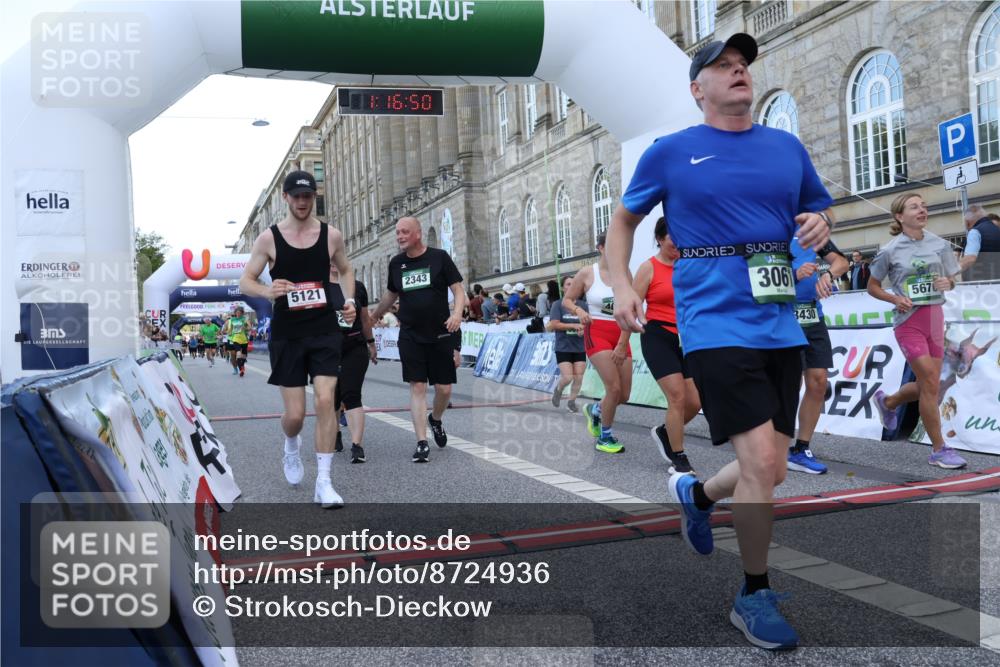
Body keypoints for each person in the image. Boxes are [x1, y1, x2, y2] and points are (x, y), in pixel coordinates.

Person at [605, 33, 834, 650]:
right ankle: (753, 594)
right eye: (723, 67)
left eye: (742, 65)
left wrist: (820, 222)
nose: (738, 73)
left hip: (780, 319)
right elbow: (622, 221)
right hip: (713, 321)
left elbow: (815, 212)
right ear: (697, 88)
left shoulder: (786, 148)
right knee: (761, 463)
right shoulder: (672, 151)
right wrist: (622, 284)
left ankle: (697, 494)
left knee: (774, 468)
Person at [239, 169, 356, 508]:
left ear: (313, 197)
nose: (302, 202)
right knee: (294, 416)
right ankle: (291, 447)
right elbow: (245, 281)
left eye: (308, 196)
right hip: (288, 333)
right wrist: (266, 289)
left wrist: (349, 301)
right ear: (286, 198)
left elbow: (346, 270)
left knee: (324, 400)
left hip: (323, 329)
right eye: (296, 196)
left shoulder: (331, 235)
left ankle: (324, 482)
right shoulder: (269, 239)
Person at [868, 193, 966, 470]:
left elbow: (952, 281)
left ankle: (888, 402)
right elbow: (872, 286)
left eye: (924, 205)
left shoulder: (940, 244)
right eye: (915, 206)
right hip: (908, 322)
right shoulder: (889, 250)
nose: (922, 210)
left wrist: (948, 283)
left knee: (928, 385)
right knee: (931, 383)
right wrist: (894, 299)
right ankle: (939, 449)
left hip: (935, 318)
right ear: (900, 216)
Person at [370, 217, 466, 463]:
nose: (400, 236)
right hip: (411, 334)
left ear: (418, 234)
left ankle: (435, 418)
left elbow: (457, 289)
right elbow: (391, 293)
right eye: (397, 232)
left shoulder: (439, 257)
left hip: (441, 333)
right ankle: (421, 442)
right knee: (418, 386)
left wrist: (456, 313)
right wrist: (374, 315)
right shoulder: (396, 263)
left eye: (404, 232)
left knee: (444, 388)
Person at [632, 217, 702, 474]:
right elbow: (631, 307)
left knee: (695, 401)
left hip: (687, 337)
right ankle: (679, 456)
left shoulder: (689, 265)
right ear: (660, 239)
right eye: (673, 236)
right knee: (677, 396)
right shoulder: (648, 268)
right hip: (657, 334)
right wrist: (620, 345)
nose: (679, 242)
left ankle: (665, 431)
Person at [563, 233, 631, 454]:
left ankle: (595, 410)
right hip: (597, 331)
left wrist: (623, 342)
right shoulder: (587, 273)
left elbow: (629, 308)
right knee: (613, 388)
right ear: (601, 248)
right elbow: (567, 300)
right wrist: (579, 310)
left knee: (624, 395)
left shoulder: (625, 273)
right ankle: (605, 436)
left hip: (620, 332)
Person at [787, 233, 849, 475]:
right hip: (783, 316)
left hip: (813, 316)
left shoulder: (810, 232)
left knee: (819, 382)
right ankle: (769, 444)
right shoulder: (769, 228)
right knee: (789, 384)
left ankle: (801, 449)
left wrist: (827, 274)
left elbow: (842, 262)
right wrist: (793, 275)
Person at [331, 270, 376, 464]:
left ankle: (357, 446)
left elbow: (365, 319)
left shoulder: (357, 287)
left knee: (351, 394)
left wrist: (371, 343)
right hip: (327, 349)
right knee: (332, 397)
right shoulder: (317, 288)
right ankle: (335, 434)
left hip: (354, 346)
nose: (332, 264)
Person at [547, 275, 586, 413]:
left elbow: (588, 323)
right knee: (568, 377)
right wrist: (573, 326)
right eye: (568, 284)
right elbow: (554, 324)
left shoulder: (582, 305)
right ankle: (558, 390)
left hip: (580, 346)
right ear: (563, 288)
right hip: (563, 346)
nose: (571, 286)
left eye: (574, 284)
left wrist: (583, 329)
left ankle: (572, 401)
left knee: (579, 376)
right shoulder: (557, 304)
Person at [960, 204, 1000, 282]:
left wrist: (950, 271)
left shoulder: (975, 232)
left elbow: (970, 258)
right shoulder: (997, 230)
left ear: (967, 222)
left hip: (980, 286)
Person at [224, 306, 251, 377]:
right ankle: (239, 369)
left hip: (244, 339)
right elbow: (230, 329)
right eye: (237, 312)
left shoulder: (245, 319)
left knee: (243, 356)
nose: (238, 314)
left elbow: (250, 327)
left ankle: (242, 367)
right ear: (235, 313)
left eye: (239, 313)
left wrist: (245, 328)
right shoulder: (232, 320)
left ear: (242, 313)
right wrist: (228, 332)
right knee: (238, 355)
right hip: (235, 339)